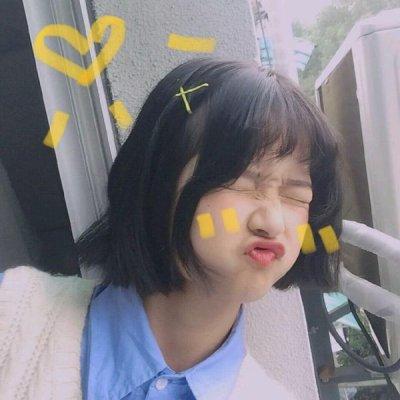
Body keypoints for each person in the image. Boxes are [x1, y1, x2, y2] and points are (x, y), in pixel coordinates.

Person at [0, 57, 344, 399]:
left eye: (296, 195)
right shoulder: (13, 312)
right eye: (240, 180)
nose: (272, 222)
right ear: (158, 179)